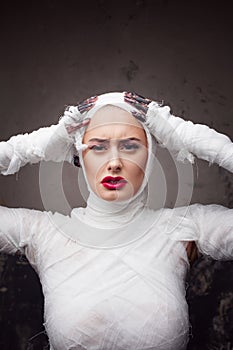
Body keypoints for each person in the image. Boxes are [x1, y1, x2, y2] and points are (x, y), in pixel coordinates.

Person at [0, 91, 232, 350]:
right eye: (98, 147)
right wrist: (34, 146)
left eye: (130, 146)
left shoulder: (184, 229)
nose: (114, 162)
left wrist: (185, 134)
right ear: (78, 155)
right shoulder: (43, 232)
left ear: (150, 153)